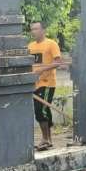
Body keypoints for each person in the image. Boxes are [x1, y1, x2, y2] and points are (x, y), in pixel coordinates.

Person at [28, 21, 63, 151]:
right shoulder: (30, 46)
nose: (34, 31)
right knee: (43, 110)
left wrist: (42, 70)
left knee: (41, 110)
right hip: (34, 84)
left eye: (36, 29)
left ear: (44, 30)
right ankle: (48, 140)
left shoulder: (51, 44)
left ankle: (45, 139)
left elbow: (58, 62)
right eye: (32, 29)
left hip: (47, 83)